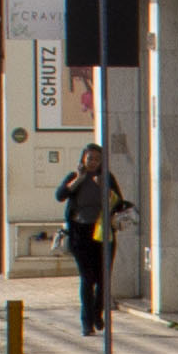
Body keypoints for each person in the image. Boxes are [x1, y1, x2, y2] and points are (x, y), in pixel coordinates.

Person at [58, 142, 123, 333]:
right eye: (89, 158)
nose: (93, 162)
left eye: (96, 159)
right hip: (80, 234)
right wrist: (78, 179)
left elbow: (119, 203)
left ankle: (97, 314)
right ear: (83, 159)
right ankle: (86, 322)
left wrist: (105, 188)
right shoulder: (75, 177)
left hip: (102, 233)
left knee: (103, 279)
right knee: (87, 278)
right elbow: (60, 195)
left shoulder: (107, 178)